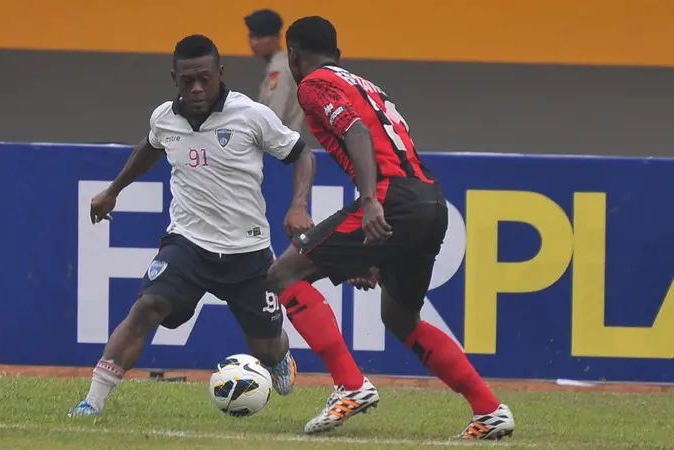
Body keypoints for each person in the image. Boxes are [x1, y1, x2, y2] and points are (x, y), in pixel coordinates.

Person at [267, 16, 516, 440]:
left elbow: (357, 131)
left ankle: (350, 385)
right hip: (429, 200)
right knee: (400, 317)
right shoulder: (364, 84)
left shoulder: (313, 84)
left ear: (292, 55)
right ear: (338, 53)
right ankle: (489, 410)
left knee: (282, 274)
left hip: (392, 198)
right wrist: (373, 253)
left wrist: (369, 204)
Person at [68, 34, 318, 417]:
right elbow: (150, 146)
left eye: (205, 78)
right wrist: (113, 190)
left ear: (220, 73)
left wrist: (299, 205)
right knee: (146, 308)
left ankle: (281, 357)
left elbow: (302, 153)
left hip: (247, 253)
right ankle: (92, 402)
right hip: (188, 245)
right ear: (175, 79)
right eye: (188, 81)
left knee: (266, 347)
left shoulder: (251, 115)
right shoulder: (165, 118)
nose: (197, 88)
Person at [244, 9, 305, 133]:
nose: (254, 43)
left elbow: (272, 117)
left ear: (277, 38)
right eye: (252, 36)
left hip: (280, 147)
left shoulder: (279, 71)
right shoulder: (286, 64)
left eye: (260, 37)